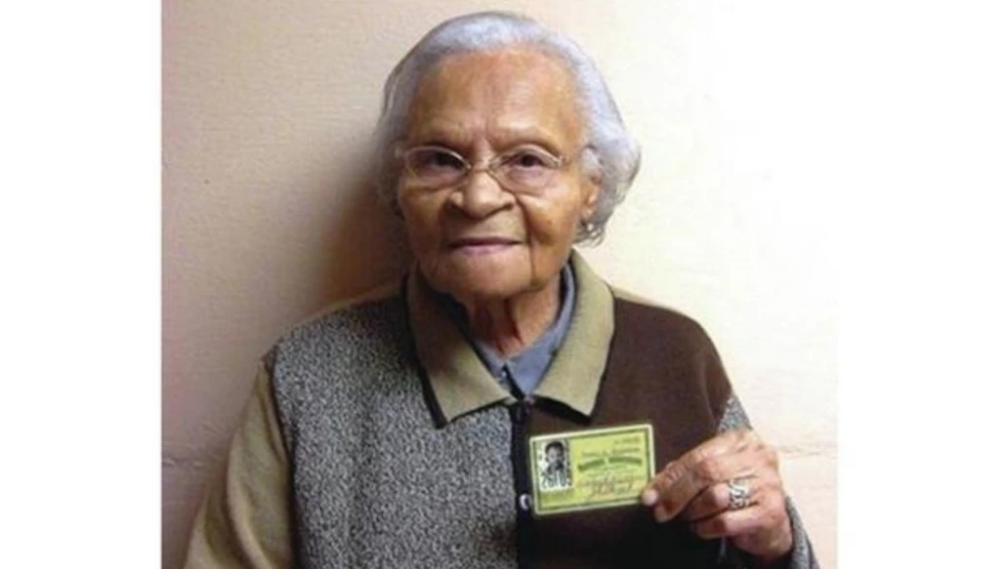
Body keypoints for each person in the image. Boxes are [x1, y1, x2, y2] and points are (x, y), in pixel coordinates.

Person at [184, 11, 819, 569]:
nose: (478, 196)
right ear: (399, 187)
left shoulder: (674, 354)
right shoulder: (310, 375)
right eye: (440, 158)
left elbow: (760, 548)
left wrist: (775, 543)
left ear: (589, 185)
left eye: (527, 159)